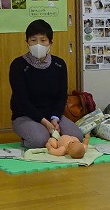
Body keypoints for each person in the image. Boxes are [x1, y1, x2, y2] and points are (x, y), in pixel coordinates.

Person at [10, 19, 82, 150]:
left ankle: (52, 138)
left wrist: (55, 119)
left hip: (53, 115)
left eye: (43, 40)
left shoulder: (59, 64)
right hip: (25, 116)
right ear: (27, 43)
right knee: (40, 140)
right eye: (33, 40)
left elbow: (61, 96)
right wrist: (45, 123)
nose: (38, 44)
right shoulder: (18, 65)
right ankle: (30, 138)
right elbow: (22, 101)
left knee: (77, 137)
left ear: (50, 43)